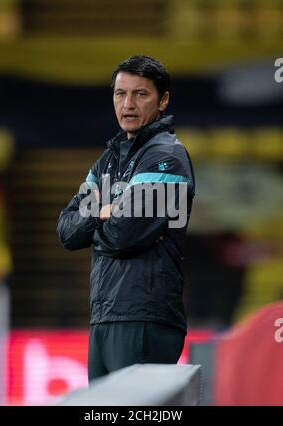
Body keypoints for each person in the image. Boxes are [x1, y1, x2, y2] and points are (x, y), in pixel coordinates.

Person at [57, 55, 195, 383]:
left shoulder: (167, 157)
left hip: (145, 317)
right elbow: (66, 230)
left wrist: (100, 217)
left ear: (163, 100)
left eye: (140, 94)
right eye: (120, 94)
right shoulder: (108, 161)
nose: (127, 104)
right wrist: (108, 213)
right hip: (104, 316)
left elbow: (123, 234)